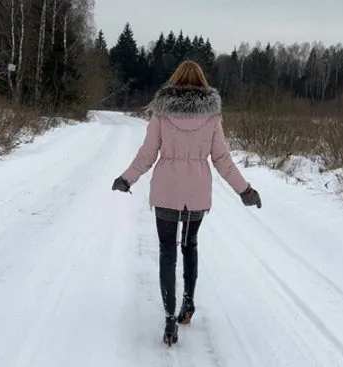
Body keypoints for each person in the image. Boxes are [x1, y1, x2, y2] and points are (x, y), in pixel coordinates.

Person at [112, 60, 261, 346]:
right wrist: (245, 190)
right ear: (202, 82)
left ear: (175, 80)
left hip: (166, 190)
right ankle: (188, 306)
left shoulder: (161, 111)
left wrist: (126, 179)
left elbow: (147, 154)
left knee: (168, 252)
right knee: (189, 245)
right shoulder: (212, 115)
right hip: (197, 194)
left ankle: (169, 321)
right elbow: (222, 160)